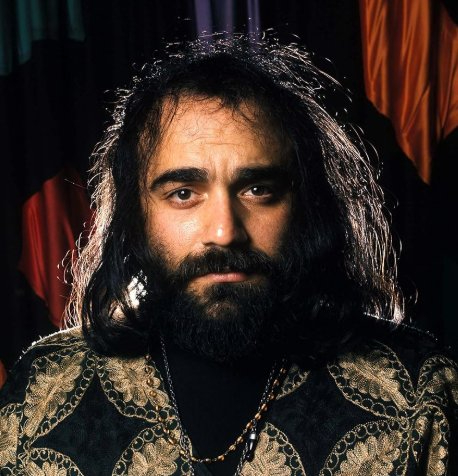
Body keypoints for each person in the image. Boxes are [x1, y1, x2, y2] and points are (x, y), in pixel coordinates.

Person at [1, 36, 457, 476]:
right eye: (183, 193)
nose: (224, 232)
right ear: (135, 217)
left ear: (306, 208)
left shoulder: (422, 393)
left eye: (258, 189)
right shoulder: (42, 390)